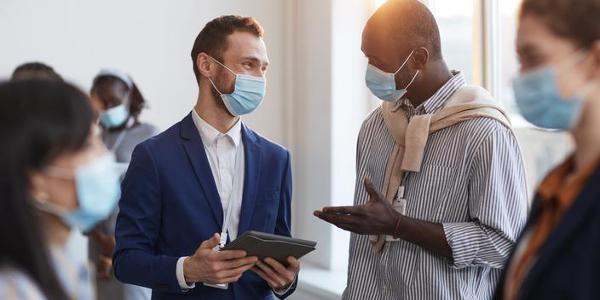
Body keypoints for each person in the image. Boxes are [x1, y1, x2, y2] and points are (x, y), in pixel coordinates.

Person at [314, 0, 529, 299]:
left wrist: (399, 225)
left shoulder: (484, 131)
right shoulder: (375, 126)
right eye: (367, 58)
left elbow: (503, 244)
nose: (370, 71)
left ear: (418, 58)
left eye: (379, 61)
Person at [113, 15, 299, 299]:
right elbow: (126, 261)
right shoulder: (153, 156)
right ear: (207, 65)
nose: (259, 79)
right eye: (248, 64)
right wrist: (187, 269)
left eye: (263, 69)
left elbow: (281, 251)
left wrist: (285, 282)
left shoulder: (277, 159)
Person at [494, 0, 600, 299]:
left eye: (534, 58)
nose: (522, 77)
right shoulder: (556, 186)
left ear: (595, 60)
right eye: (520, 60)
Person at [0, 79, 122, 299]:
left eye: (99, 139)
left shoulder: (61, 262)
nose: (104, 156)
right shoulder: (13, 289)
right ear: (34, 180)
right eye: (86, 144)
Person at [88, 69, 157, 300]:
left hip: (135, 241)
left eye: (113, 102)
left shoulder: (149, 136)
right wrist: (102, 239)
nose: (108, 109)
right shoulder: (94, 140)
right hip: (100, 244)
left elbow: (158, 193)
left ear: (128, 96)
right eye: (102, 103)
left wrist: (120, 241)